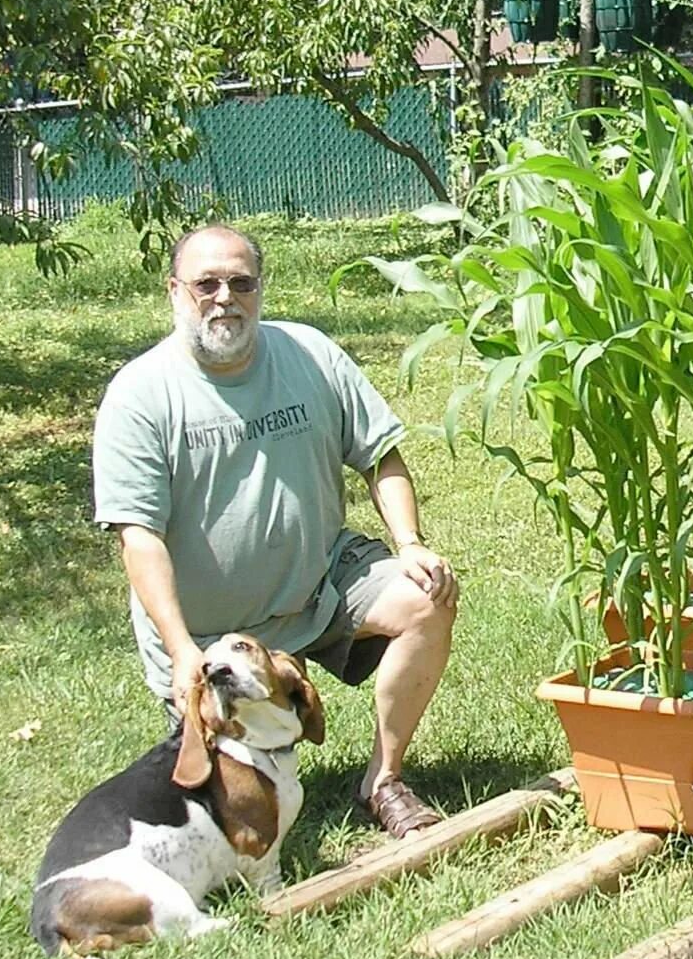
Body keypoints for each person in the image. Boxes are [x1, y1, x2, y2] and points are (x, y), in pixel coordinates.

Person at [91, 223, 457, 838]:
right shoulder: (139, 395)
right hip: (209, 637)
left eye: (241, 282)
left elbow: (380, 455)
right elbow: (140, 538)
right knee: (231, 817)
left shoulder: (310, 354)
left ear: (260, 289)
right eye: (206, 283)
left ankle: (384, 780)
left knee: (428, 598)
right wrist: (183, 650)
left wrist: (411, 544)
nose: (224, 297)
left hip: (319, 585)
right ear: (174, 292)